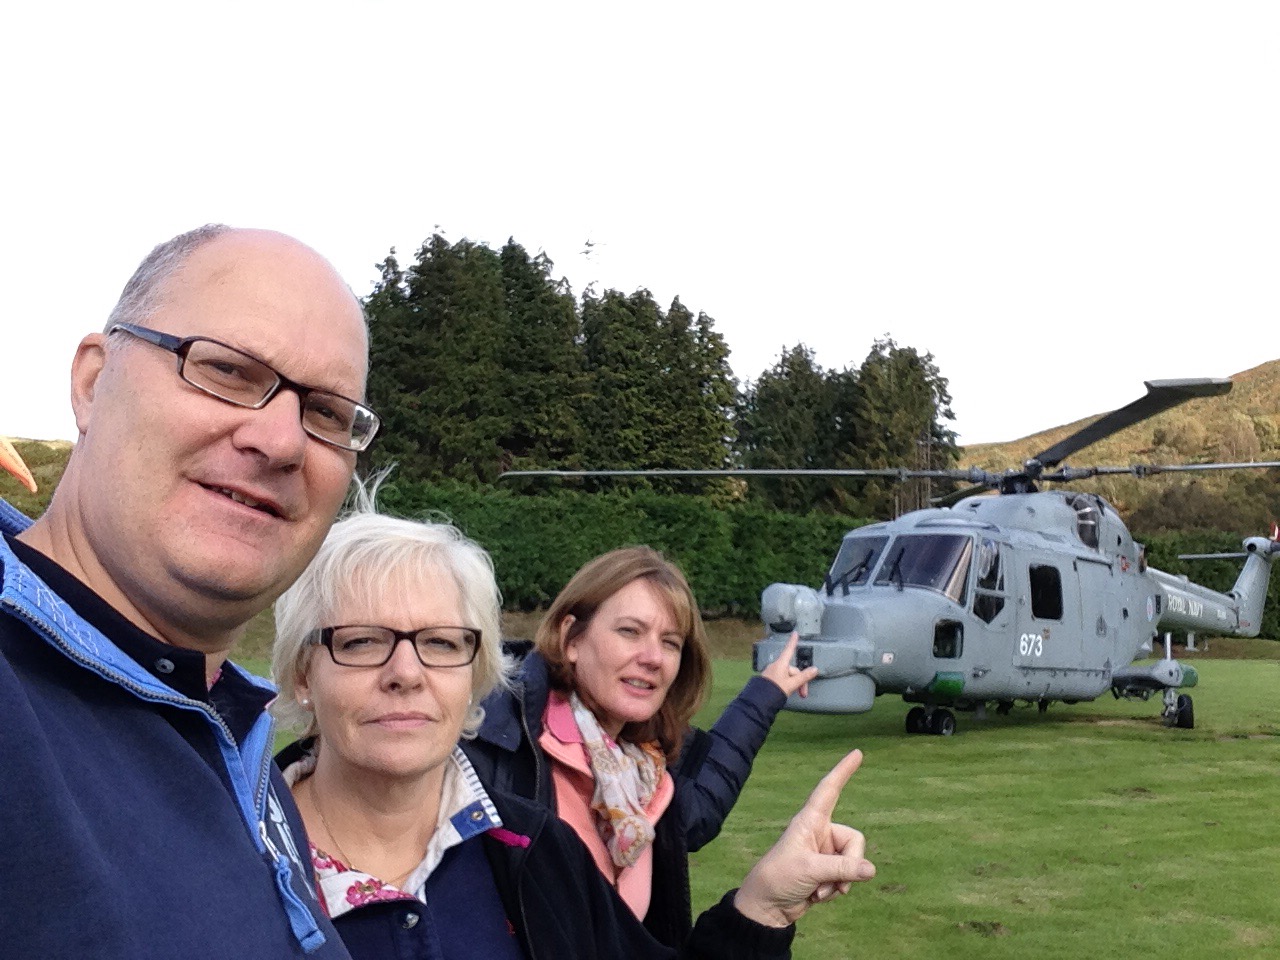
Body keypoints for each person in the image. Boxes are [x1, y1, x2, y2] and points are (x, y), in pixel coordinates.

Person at [270, 495, 875, 960]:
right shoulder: (234, 862)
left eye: (441, 643)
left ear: (472, 672)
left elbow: (699, 807)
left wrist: (765, 905)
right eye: (361, 641)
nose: (406, 672)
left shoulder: (541, 844)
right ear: (302, 674)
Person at [0, 224, 378, 958]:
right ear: (92, 382)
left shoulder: (237, 740)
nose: (282, 441)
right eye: (227, 370)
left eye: (328, 414)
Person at [462, 546, 819, 947]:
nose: (653, 658)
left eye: (670, 642)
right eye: (630, 631)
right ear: (571, 639)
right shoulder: (494, 742)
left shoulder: (647, 770)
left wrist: (766, 693)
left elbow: (698, 808)